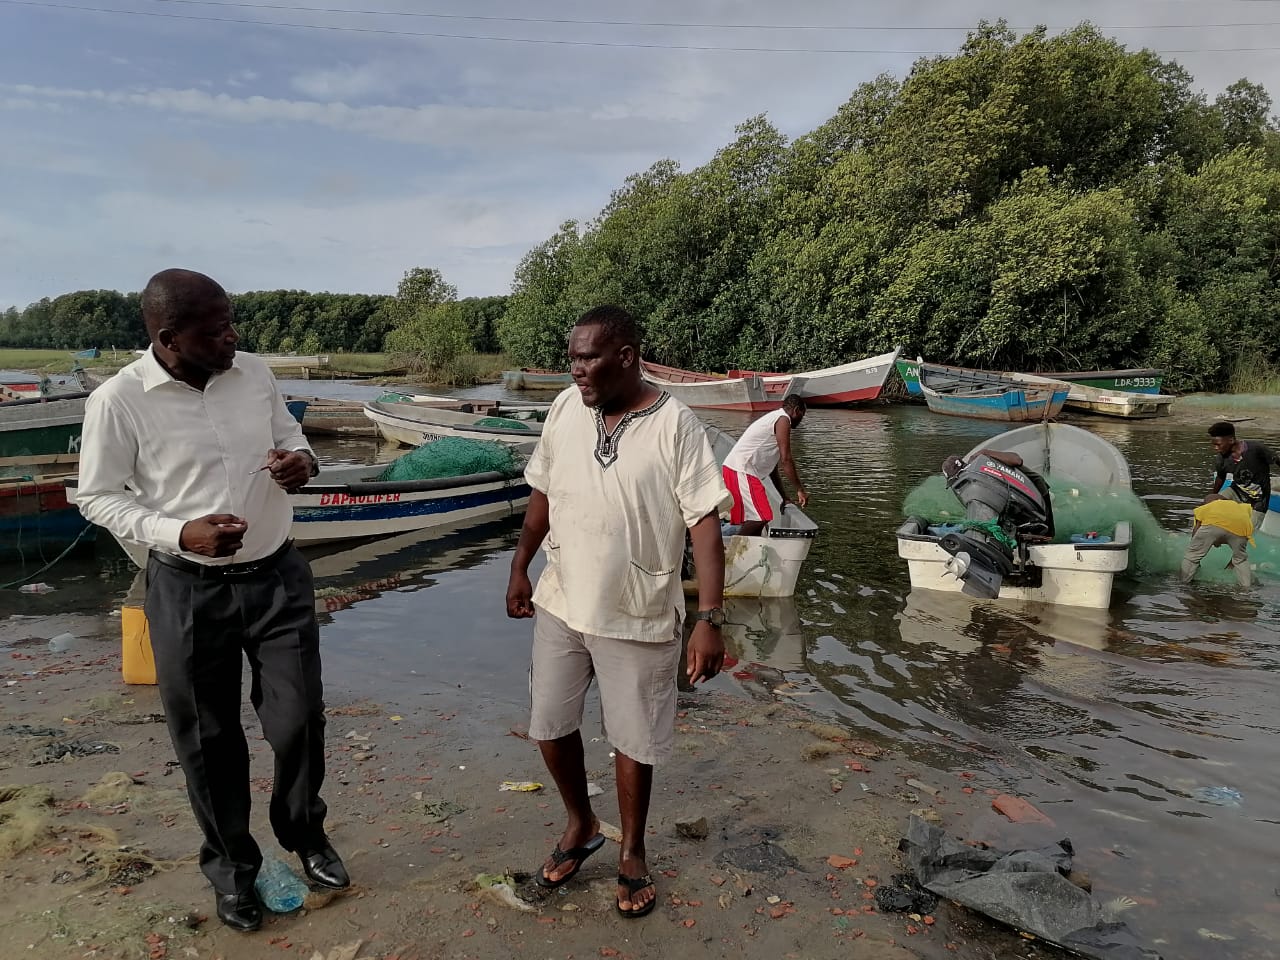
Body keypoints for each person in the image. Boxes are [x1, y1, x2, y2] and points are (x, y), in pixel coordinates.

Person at [75, 269, 348, 933]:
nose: (233, 337)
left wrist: (301, 461)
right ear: (169, 339)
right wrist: (178, 531)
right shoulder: (119, 401)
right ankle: (233, 870)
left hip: (277, 576)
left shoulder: (251, 373)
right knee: (208, 739)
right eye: (215, 330)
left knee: (298, 720)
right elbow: (95, 495)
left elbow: (291, 434)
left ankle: (304, 834)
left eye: (232, 322)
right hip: (187, 588)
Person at [505, 305, 730, 920]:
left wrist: (709, 618)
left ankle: (632, 851)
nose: (575, 370)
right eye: (571, 358)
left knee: (634, 738)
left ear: (626, 357)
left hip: (638, 609)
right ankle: (581, 824)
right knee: (549, 724)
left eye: (587, 359)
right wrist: (521, 564)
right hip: (562, 599)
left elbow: (705, 524)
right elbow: (542, 492)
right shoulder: (563, 408)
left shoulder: (676, 424)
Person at [721, 395, 808, 537]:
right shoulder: (783, 419)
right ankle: (732, 552)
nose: (801, 420)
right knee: (761, 517)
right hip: (741, 468)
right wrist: (800, 489)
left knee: (757, 519)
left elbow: (772, 469)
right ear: (796, 410)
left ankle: (746, 552)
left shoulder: (776, 418)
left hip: (737, 469)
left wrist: (783, 497)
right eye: (802, 415)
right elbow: (786, 460)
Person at [1206, 420, 1279, 532]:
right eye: (1214, 445)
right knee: (1210, 503)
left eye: (1218, 444)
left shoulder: (1256, 449)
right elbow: (1220, 478)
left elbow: (1278, 461)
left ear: (1231, 440)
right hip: (1236, 491)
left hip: (1259, 499)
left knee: (1247, 534)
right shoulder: (1221, 458)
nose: (1216, 448)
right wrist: (1213, 496)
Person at [1181, 497, 1255, 587]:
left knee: (1192, 557)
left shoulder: (1205, 508)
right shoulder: (1240, 507)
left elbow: (1197, 529)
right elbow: (1242, 528)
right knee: (1240, 559)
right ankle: (1246, 588)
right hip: (1241, 527)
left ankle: (1183, 583)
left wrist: (1195, 552)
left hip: (1214, 524)